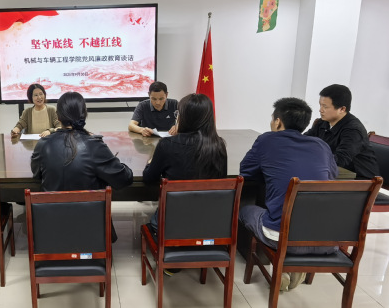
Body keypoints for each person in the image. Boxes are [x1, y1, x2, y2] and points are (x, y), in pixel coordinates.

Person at [239, 97, 338, 292]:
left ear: (277, 122)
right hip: (325, 239)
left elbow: (246, 172)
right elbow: (331, 176)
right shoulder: (321, 145)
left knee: (244, 209)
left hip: (281, 237)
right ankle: (292, 265)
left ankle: (281, 262)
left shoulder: (267, 140)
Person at [31, 92, 134, 240]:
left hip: (51, 230)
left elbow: (36, 174)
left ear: (58, 117)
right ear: (84, 114)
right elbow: (125, 179)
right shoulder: (94, 145)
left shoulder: (43, 145)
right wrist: (114, 162)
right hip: (91, 232)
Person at [142, 93, 227, 245]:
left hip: (173, 223)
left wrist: (151, 162)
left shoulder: (167, 145)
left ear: (184, 118)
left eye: (178, 114)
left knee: (155, 220)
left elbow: (149, 179)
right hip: (209, 223)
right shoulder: (218, 145)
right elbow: (221, 180)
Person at [304, 84, 379, 179]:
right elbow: (305, 140)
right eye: (320, 105)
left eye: (325, 107)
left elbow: (341, 160)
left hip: (359, 180)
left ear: (342, 109)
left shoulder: (353, 130)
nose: (320, 110)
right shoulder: (322, 122)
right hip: (334, 173)